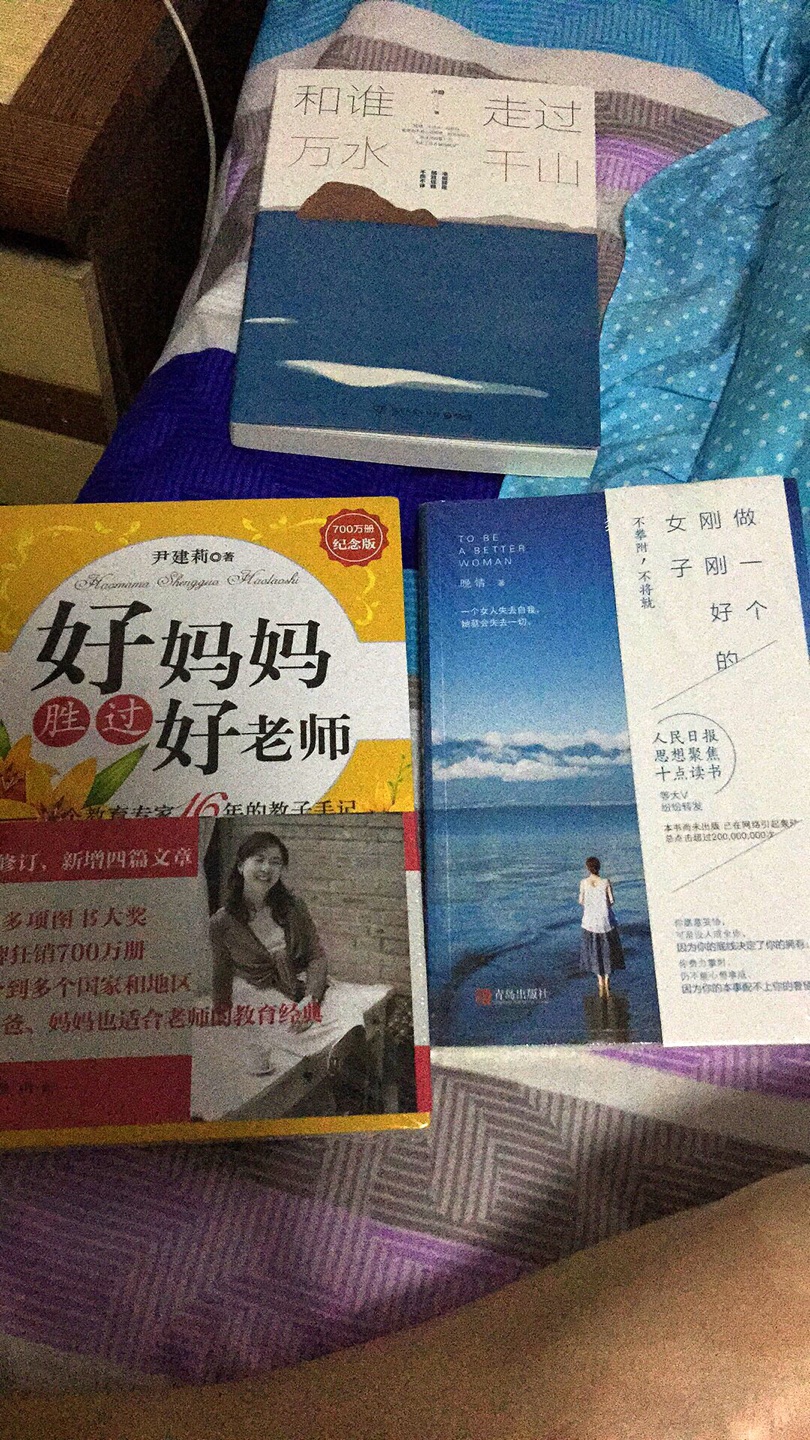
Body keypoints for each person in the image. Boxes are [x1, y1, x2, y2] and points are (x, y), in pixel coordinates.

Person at [210, 830, 327, 1028]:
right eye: (259, 860)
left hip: (303, 991)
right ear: (240, 866)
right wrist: (220, 1020)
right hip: (258, 998)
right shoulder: (221, 922)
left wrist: (311, 999)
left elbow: (316, 955)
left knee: (349, 1020)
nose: (266, 868)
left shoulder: (294, 907)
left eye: (275, 862)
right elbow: (221, 975)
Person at [578, 855, 624, 999]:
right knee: (607, 950)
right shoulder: (605, 882)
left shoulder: (583, 883)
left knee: (595, 951)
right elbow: (611, 901)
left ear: (588, 868)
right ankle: (607, 980)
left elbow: (581, 901)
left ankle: (599, 980)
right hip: (605, 922)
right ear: (599, 867)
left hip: (590, 922)